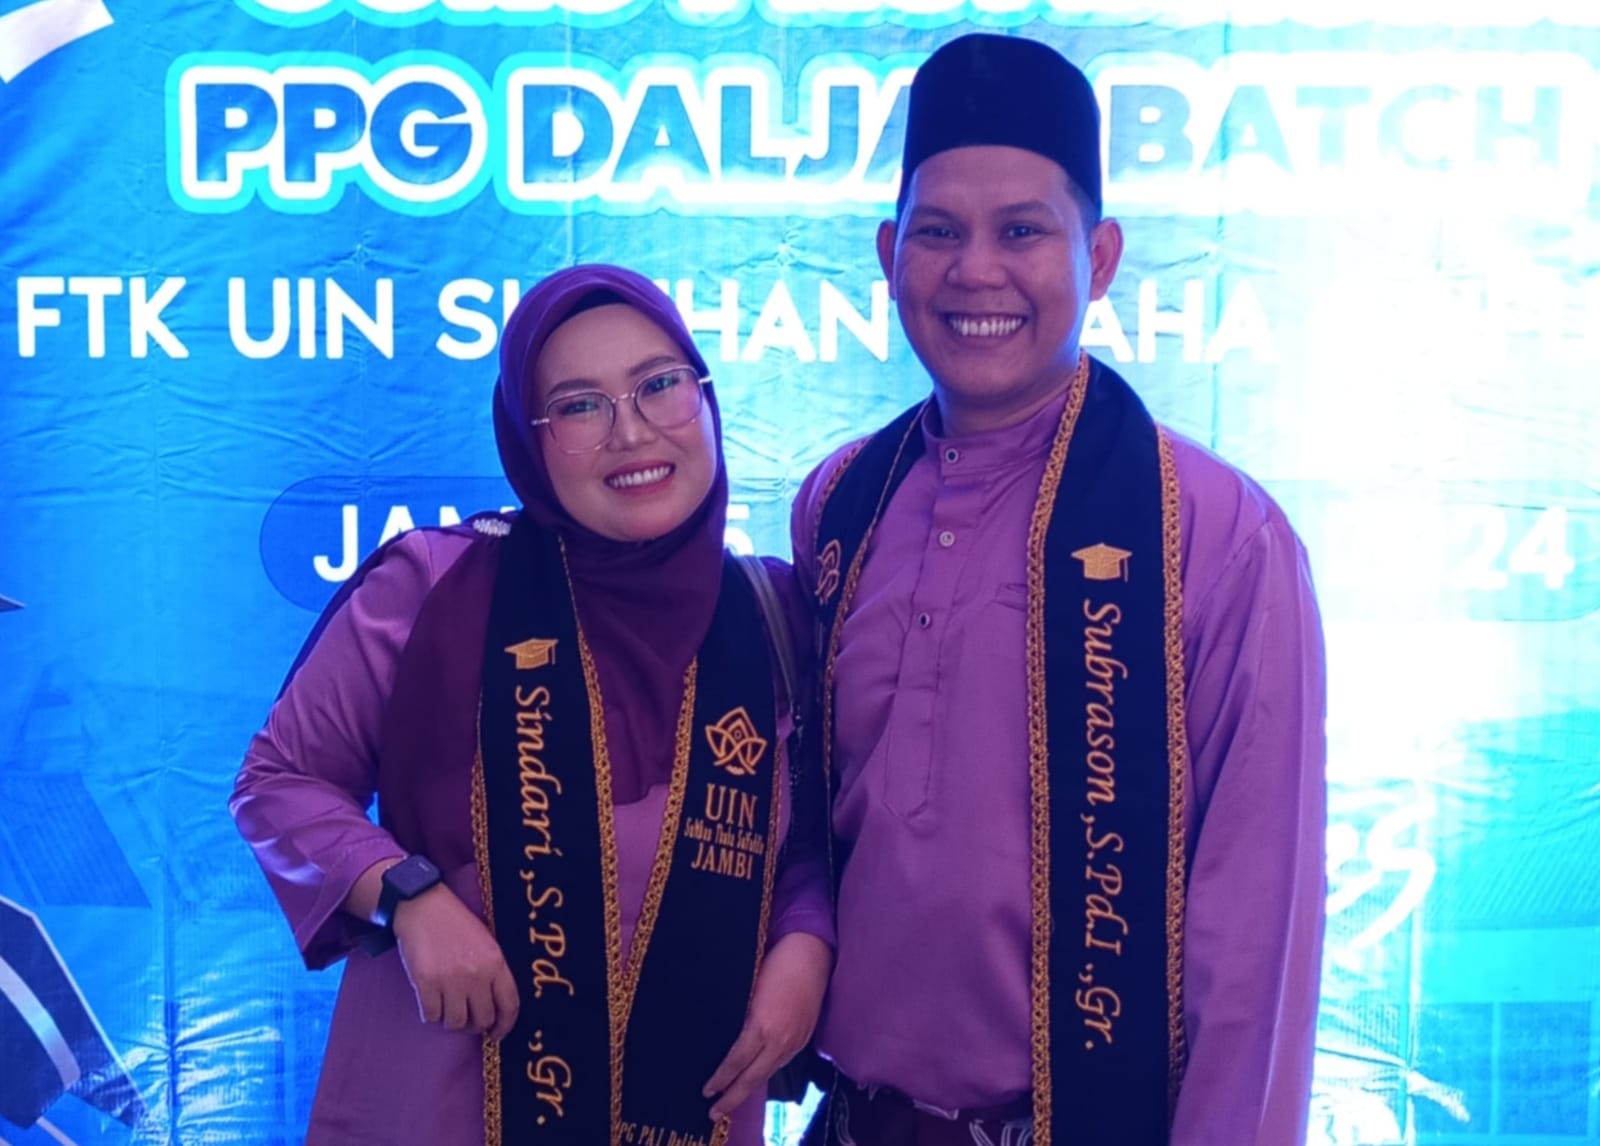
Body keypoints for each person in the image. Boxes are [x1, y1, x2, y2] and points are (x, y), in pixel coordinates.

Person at [790, 33, 1327, 1146]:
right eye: (939, 232)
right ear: (890, 254)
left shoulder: (1214, 534)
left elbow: (1255, 943)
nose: (975, 271)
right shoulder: (838, 505)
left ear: (1103, 255)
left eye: (1023, 231)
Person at [233, 264, 834, 1146]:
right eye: (580, 406)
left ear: (705, 398)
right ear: (528, 440)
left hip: (691, 1111)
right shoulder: (434, 587)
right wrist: (407, 897)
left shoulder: (774, 614)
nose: (632, 432)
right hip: (443, 1104)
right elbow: (279, 782)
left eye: (660, 385)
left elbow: (815, 838)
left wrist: (806, 947)